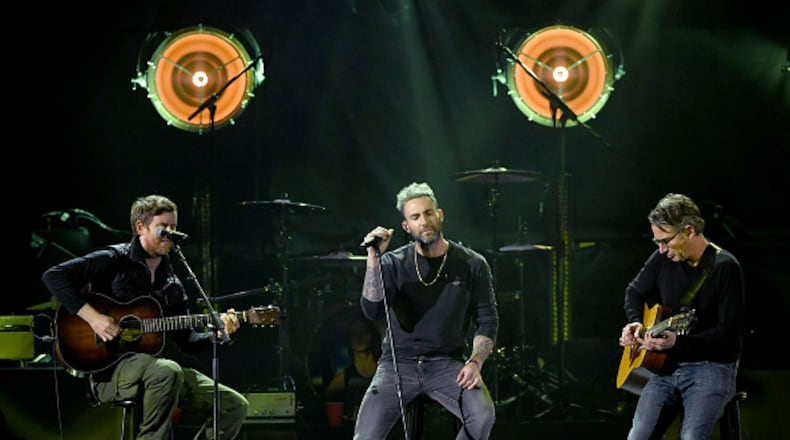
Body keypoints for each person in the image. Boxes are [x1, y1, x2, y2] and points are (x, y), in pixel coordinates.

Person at [41, 194, 249, 439]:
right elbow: (53, 276)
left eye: (173, 227)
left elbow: (187, 341)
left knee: (233, 405)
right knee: (168, 370)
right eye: (163, 227)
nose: (170, 233)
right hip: (110, 372)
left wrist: (217, 335)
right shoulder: (114, 259)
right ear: (141, 227)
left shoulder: (171, 282)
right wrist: (94, 318)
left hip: (157, 371)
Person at [353, 182, 499, 439]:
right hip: (397, 365)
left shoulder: (473, 264)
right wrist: (374, 258)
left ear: (440, 215)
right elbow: (372, 311)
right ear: (406, 226)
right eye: (416, 217)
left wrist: (475, 363)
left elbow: (487, 320)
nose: (424, 221)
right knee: (365, 436)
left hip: (447, 364)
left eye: (428, 213)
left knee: (483, 414)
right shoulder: (393, 263)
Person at [619, 193, 745, 439]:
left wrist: (678, 342)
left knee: (691, 437)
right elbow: (633, 291)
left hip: (711, 366)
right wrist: (635, 322)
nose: (662, 250)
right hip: (665, 366)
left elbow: (729, 338)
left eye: (666, 241)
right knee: (638, 436)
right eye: (657, 242)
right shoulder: (663, 258)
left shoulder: (725, 267)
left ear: (689, 231)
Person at [323, 316, 382, 423]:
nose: (359, 336)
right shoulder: (344, 376)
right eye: (354, 333)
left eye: (364, 332)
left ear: (372, 336)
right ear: (349, 339)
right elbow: (325, 401)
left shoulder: (384, 371)